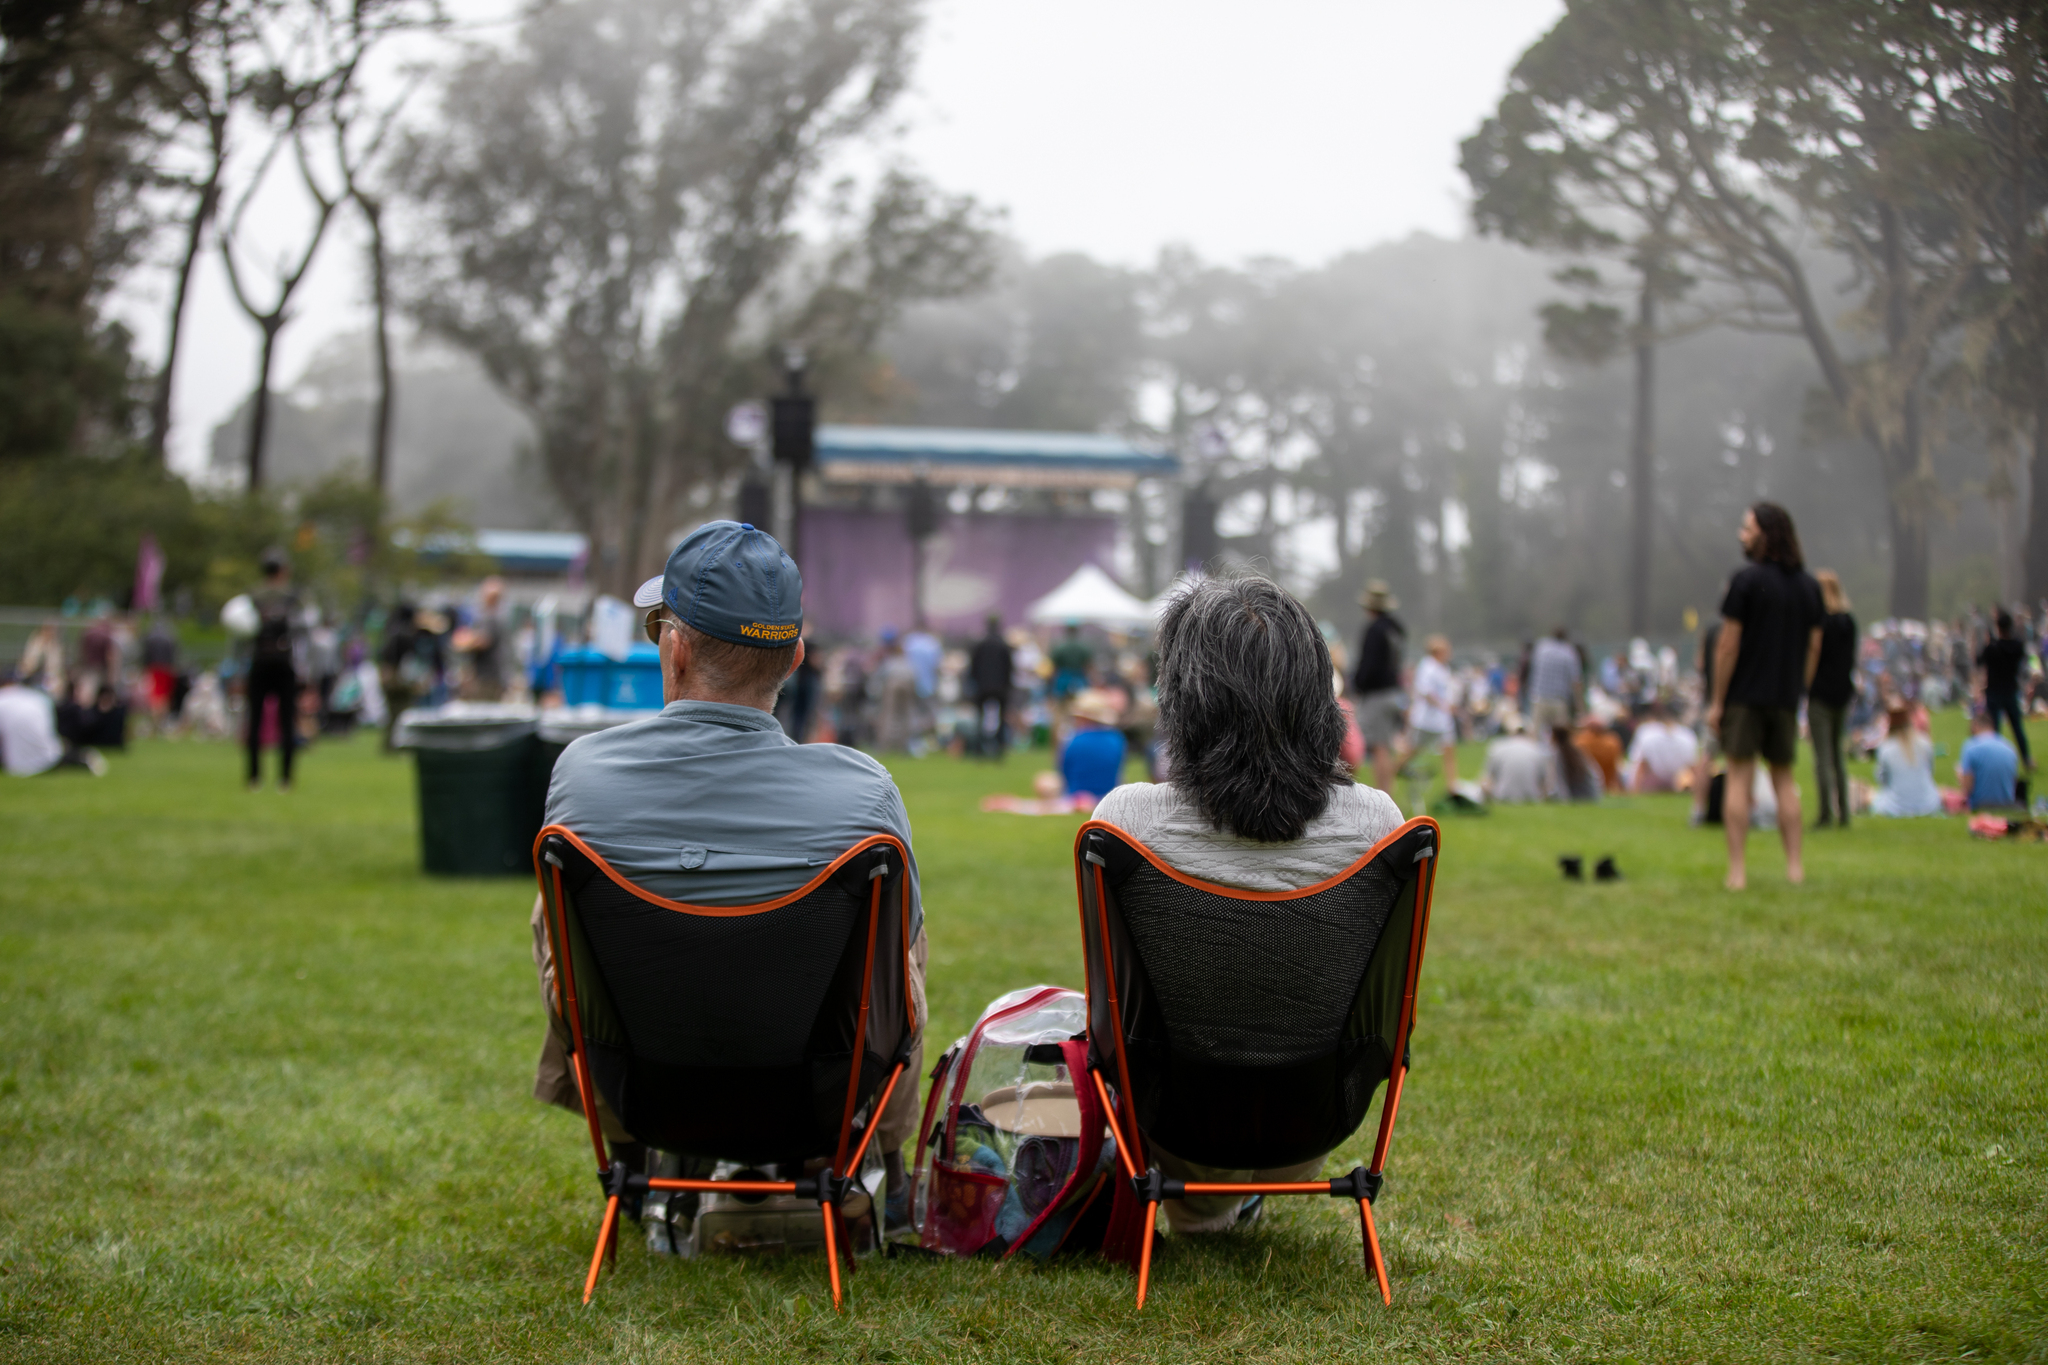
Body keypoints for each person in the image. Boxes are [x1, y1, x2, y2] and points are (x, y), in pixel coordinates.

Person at [529, 521, 928, 1229]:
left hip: (643, 1088)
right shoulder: (862, 793)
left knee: (554, 914)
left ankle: (631, 1161)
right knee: (901, 940)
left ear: (673, 648)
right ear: (796, 656)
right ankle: (886, 1172)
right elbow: (895, 983)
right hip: (817, 1097)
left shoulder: (583, 777)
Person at [1091, 573, 1402, 1233]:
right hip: (1315, 1113)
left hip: (1171, 1115)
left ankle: (1205, 1208)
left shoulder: (1125, 821)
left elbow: (1108, 1018)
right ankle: (1224, 1205)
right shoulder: (1378, 823)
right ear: (1318, 694)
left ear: (1181, 700)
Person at [1704, 503, 1824, 889]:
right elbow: (1814, 647)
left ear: (1766, 534)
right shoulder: (1808, 586)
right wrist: (1798, 688)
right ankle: (1794, 868)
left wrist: (1718, 700)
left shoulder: (1744, 581)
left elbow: (1727, 645)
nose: (1742, 534)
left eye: (1747, 528)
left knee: (1738, 779)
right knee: (1784, 781)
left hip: (1744, 696)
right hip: (1785, 698)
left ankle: (1737, 872)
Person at [244, 550, 304, 790]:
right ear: (282, 570)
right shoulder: (293, 596)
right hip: (284, 662)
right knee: (287, 721)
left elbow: (241, 635)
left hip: (258, 661)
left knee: (255, 721)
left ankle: (253, 777)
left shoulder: (252, 596)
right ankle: (286, 779)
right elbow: (303, 633)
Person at [1809, 570, 1858, 828]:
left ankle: (1826, 813)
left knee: (1822, 757)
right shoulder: (1849, 621)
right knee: (1838, 755)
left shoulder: (1820, 622)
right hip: (1842, 692)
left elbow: (1814, 651)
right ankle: (1845, 813)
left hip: (1820, 694)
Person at [1350, 580, 1406, 794]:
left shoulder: (1375, 630)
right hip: (1393, 692)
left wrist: (1357, 684)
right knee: (1385, 746)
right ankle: (1386, 792)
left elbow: (1369, 665)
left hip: (1377, 695)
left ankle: (1384, 795)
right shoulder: (1396, 629)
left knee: (1378, 747)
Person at [1978, 610, 2034, 773]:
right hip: (2010, 690)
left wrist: (1987, 642)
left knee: (1994, 730)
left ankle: (1994, 762)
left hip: (1994, 692)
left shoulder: (1992, 648)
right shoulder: (2017, 646)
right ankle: (2026, 759)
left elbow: (1979, 661)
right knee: (2017, 727)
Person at [1867, 703, 1942, 817]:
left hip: (1896, 807)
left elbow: (1882, 779)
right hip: (1929, 804)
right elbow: (1931, 772)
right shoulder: (1924, 742)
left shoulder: (1886, 748)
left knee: (1871, 796)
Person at [1408, 634, 1459, 790]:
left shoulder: (1443, 668)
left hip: (1442, 720)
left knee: (1449, 750)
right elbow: (1425, 691)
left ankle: (1452, 786)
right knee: (1413, 749)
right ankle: (1395, 769)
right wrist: (1442, 705)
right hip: (1426, 720)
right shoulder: (1427, 666)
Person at [1058, 689, 1127, 801]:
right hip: (1108, 797)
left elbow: (1064, 772)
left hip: (1077, 797)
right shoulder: (1116, 738)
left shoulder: (1073, 740)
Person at [454, 576, 510, 701]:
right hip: (491, 676)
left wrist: (463, 641)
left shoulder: (491, 617)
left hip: (487, 678)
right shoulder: (496, 616)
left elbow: (482, 642)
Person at [1624, 701, 1697, 793]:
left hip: (1652, 786)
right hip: (1674, 784)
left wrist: (1633, 792)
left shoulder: (1646, 732)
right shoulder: (1688, 735)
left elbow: (1640, 766)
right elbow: (1693, 768)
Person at [1956, 709, 2021, 812]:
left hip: (1980, 805)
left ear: (1975, 725)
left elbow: (1967, 788)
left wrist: (1960, 776)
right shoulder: (2009, 747)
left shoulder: (1970, 747)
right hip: (2007, 804)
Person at [968, 615, 1014, 759]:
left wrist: (975, 682)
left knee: (980, 718)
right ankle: (999, 748)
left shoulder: (980, 644)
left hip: (983, 686)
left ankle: (978, 748)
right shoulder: (1004, 645)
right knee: (1001, 718)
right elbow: (1009, 668)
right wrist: (1007, 685)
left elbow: (973, 667)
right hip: (1000, 687)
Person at [1482, 718, 1558, 803]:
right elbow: (1547, 784)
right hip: (1533, 797)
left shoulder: (1497, 747)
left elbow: (1487, 781)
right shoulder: (1538, 749)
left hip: (1502, 796)